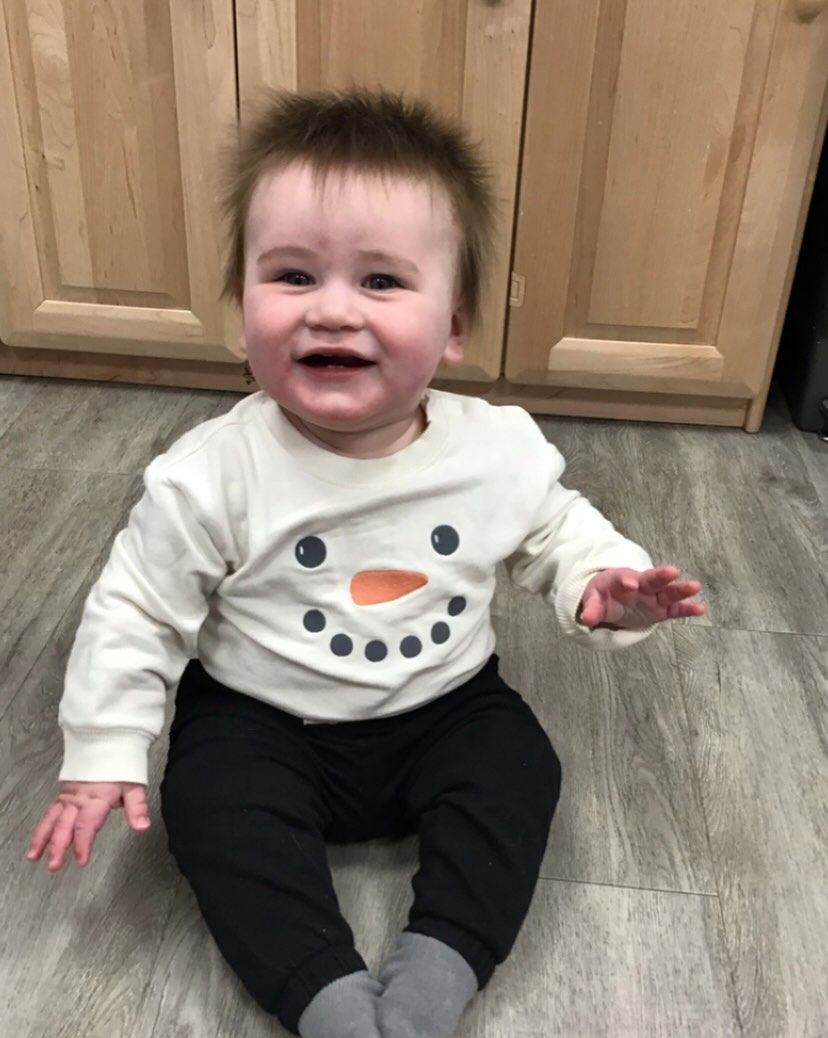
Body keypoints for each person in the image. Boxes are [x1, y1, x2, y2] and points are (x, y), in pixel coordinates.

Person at [26, 88, 705, 1038]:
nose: (333, 311)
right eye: (293, 276)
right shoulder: (213, 473)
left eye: (382, 283)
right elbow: (137, 608)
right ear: (241, 305)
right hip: (262, 721)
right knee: (211, 805)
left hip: (445, 707)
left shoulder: (494, 449)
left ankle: (432, 984)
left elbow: (557, 528)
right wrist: (101, 749)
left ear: (456, 326)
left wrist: (606, 583)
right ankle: (331, 1003)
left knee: (520, 770)